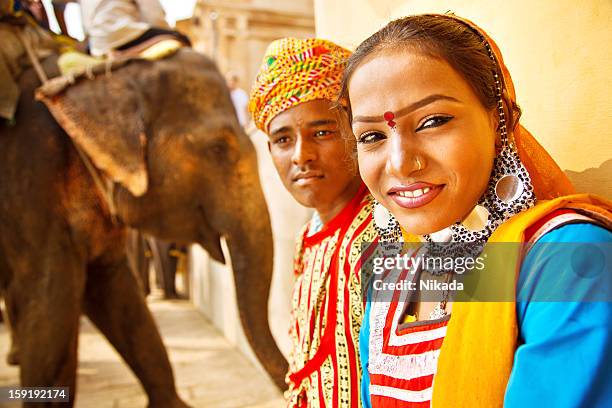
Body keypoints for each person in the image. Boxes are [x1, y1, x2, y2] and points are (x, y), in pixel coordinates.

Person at [338, 14, 612, 407]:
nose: (399, 163)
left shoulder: (571, 258)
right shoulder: (392, 274)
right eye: (373, 136)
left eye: (433, 121)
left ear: (497, 119)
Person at [249, 38, 378, 407]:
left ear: (354, 131)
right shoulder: (310, 235)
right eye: (283, 139)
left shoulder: (386, 231)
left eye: (322, 132)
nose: (301, 155)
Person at [51, 0, 190, 57]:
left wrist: (66, 34)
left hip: (97, 46)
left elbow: (56, 3)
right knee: (181, 38)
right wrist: (167, 32)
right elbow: (155, 16)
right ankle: (125, 54)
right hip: (124, 35)